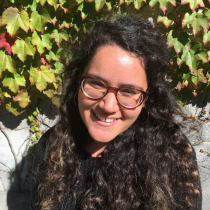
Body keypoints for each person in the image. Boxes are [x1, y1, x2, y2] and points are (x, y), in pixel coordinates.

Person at [30, 15, 202, 210]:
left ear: (146, 98)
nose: (108, 106)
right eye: (96, 83)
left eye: (129, 91)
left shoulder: (173, 155)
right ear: (79, 81)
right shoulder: (53, 147)